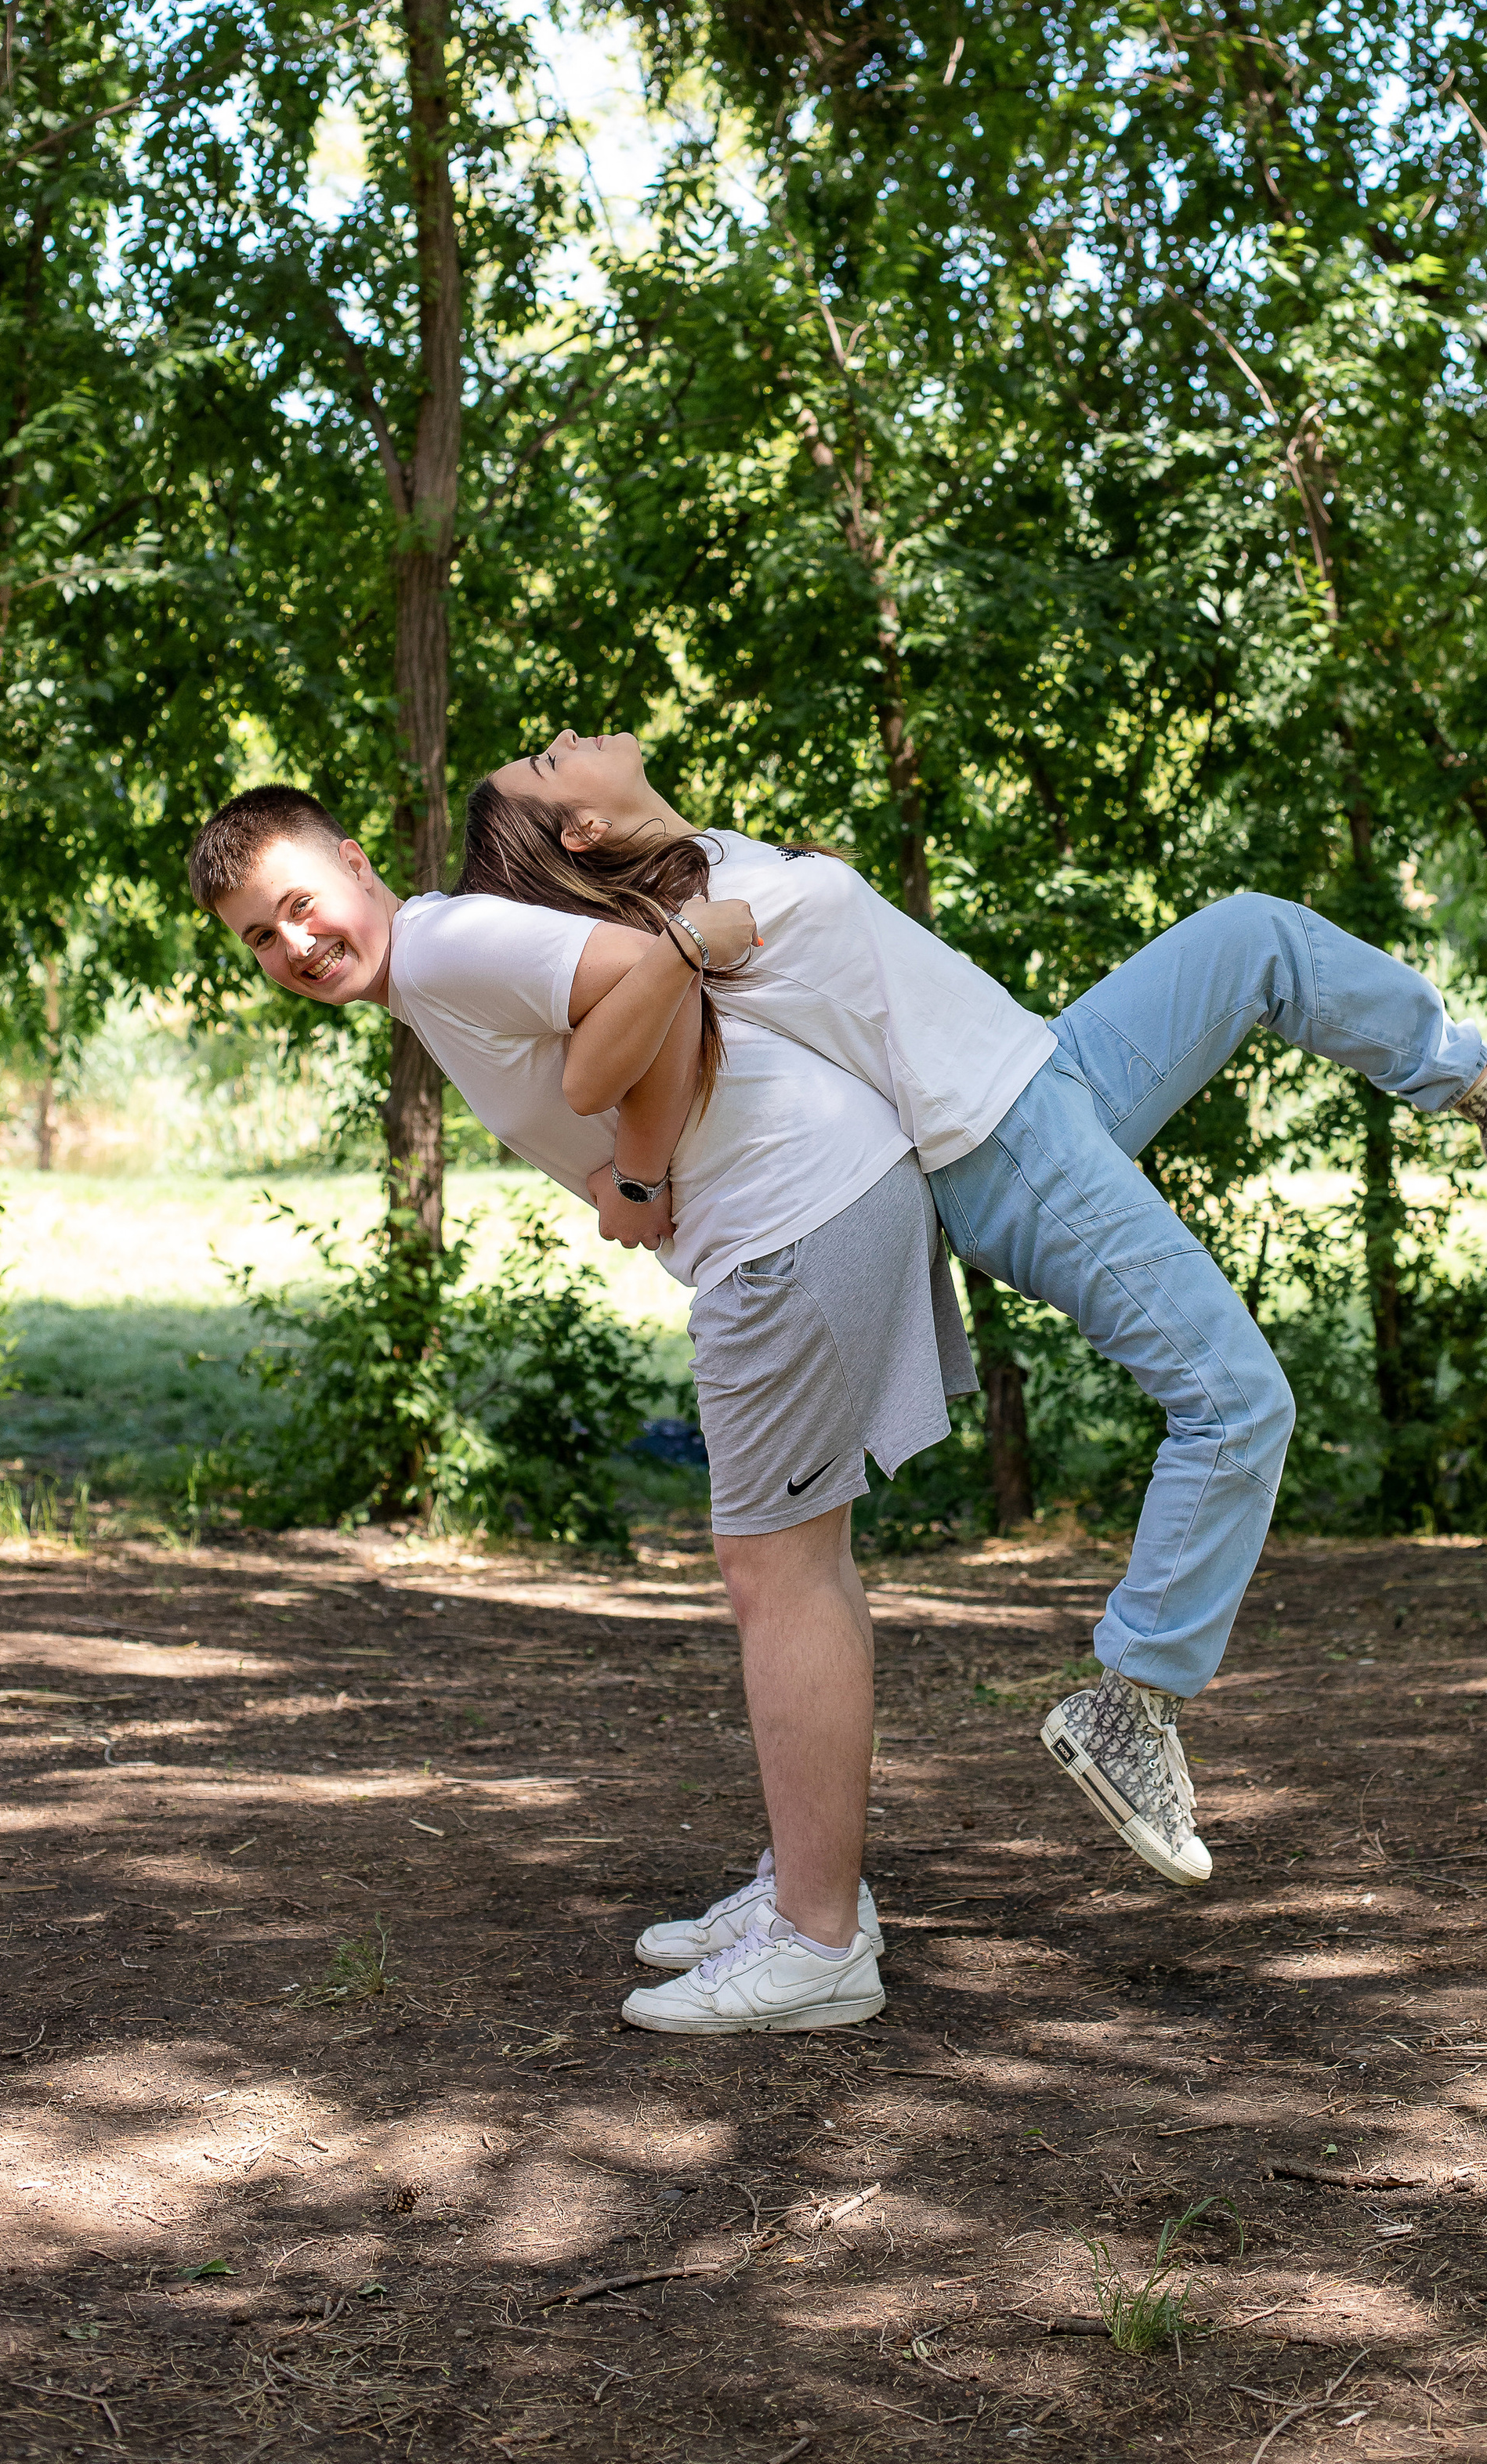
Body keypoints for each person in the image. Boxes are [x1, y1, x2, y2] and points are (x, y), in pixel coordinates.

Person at [461, 728, 1487, 1889]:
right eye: (553, 756)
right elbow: (603, 1070)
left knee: (1258, 936)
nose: (577, 733)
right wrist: (635, 1168)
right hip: (997, 1150)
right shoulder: (683, 931)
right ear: (578, 826)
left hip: (1046, 1069)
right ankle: (1128, 1702)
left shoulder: (718, 860)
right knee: (1238, 1403)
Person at [186, 782, 982, 2036]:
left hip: (791, 1214)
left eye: (298, 905)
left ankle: (822, 1940)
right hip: (795, 1210)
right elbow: (650, 992)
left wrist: (644, 1171)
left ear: (353, 862)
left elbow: (648, 965)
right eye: (258, 938)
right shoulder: (438, 971)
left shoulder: (445, 942)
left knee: (780, 1573)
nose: (292, 946)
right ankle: (808, 1893)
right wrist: (641, 1169)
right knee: (784, 1565)